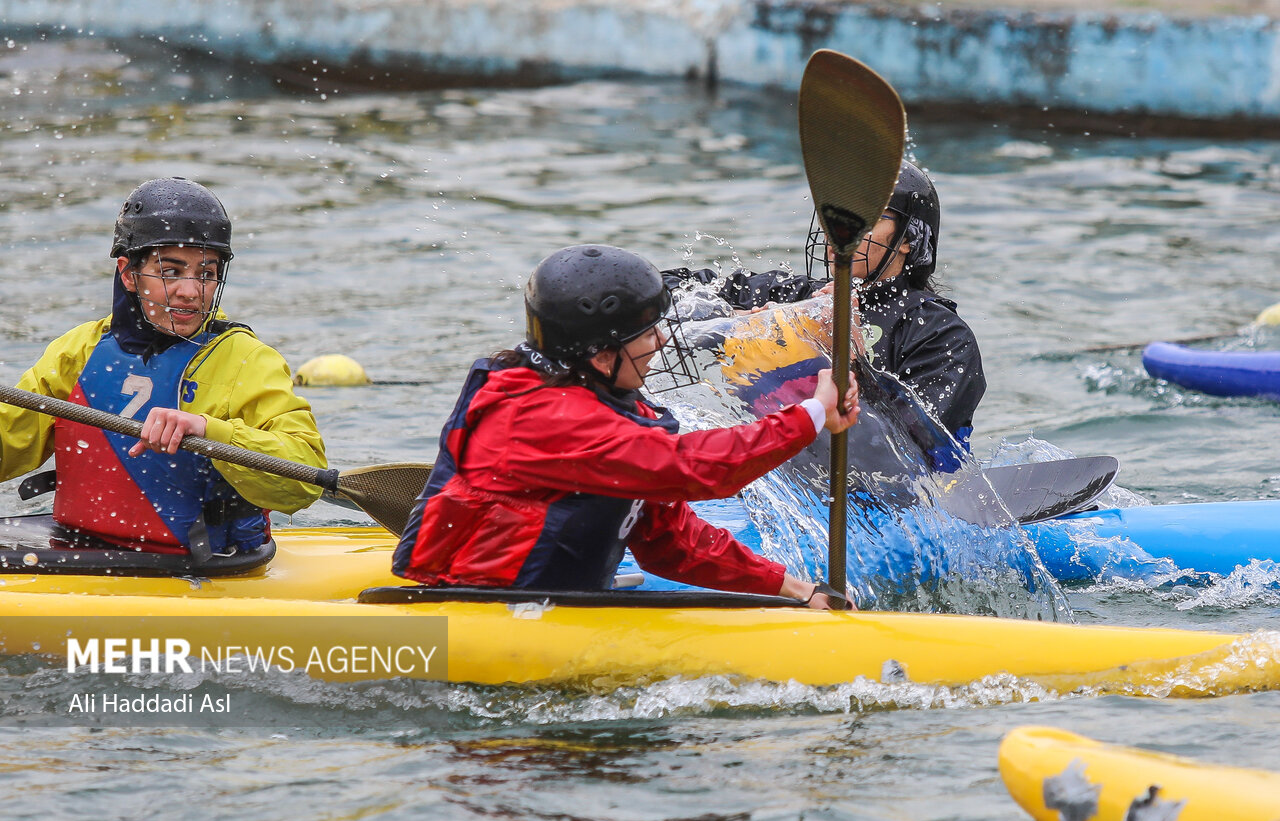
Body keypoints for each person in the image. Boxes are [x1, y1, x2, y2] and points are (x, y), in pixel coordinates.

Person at [393, 244, 860, 609]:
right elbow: (694, 469)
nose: (660, 341)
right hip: (475, 608)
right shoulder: (540, 417)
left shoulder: (605, 405)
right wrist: (810, 415)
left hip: (545, 604)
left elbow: (670, 542)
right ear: (600, 354)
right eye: (647, 333)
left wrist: (797, 590)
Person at [0, 177, 326, 557]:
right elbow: (9, 444)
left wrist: (209, 431)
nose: (191, 291)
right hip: (80, 550)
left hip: (203, 566)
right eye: (170, 272)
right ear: (128, 273)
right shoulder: (78, 350)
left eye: (206, 273)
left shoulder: (246, 360)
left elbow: (304, 481)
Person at [665, 159, 986, 455]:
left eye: (867, 216)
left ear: (908, 239)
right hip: (787, 465)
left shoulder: (942, 337)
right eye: (837, 212)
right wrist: (732, 320)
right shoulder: (796, 296)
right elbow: (661, 289)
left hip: (892, 502)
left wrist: (855, 366)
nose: (842, 228)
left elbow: (915, 452)